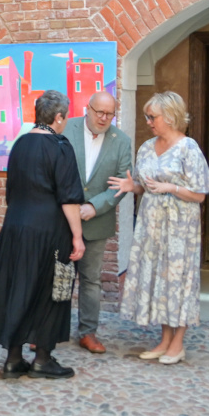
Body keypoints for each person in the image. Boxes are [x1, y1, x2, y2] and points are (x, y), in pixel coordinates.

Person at [0, 90, 85, 379]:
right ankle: (42, 360)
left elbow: (11, 190)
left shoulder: (20, 144)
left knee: (17, 288)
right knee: (51, 292)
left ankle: (13, 359)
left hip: (15, 227)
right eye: (65, 117)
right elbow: (69, 198)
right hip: (49, 230)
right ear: (58, 117)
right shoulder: (60, 146)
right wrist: (77, 236)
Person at [108, 91, 209, 365]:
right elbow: (146, 186)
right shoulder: (146, 147)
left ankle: (178, 344)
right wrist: (132, 186)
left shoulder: (188, 148)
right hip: (151, 226)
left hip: (180, 228)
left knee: (179, 281)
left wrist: (172, 187)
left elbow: (200, 195)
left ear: (169, 116)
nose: (148, 121)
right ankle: (165, 340)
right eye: (147, 116)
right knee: (161, 280)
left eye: (152, 116)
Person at [63, 91, 133, 354]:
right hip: (61, 219)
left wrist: (94, 206)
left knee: (91, 280)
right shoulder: (66, 129)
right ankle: (50, 329)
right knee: (59, 276)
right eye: (99, 112)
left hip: (96, 221)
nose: (103, 118)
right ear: (87, 109)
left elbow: (122, 184)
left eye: (109, 114)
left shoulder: (121, 141)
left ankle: (88, 332)